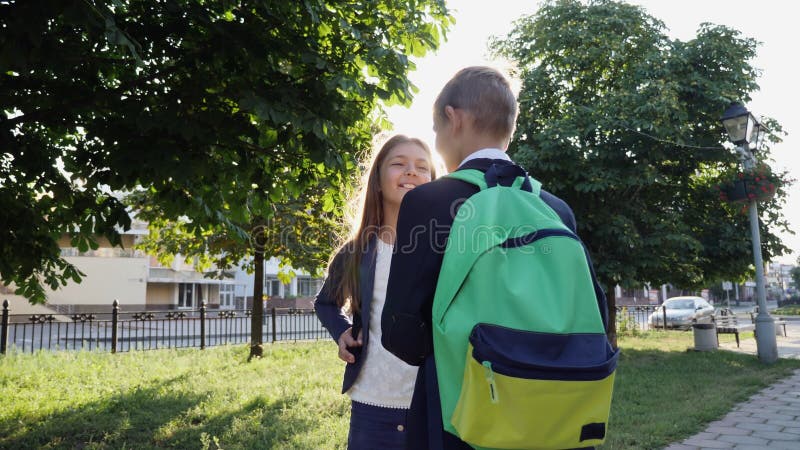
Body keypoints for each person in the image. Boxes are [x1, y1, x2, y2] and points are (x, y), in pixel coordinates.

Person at [381, 66, 602, 449]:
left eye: (436, 132)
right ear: (509, 126)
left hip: (463, 413)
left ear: (454, 118)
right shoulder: (555, 208)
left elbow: (399, 331)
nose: (437, 143)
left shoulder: (429, 201)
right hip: (554, 406)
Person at [315, 134, 438, 449]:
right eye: (399, 164)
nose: (412, 171)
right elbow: (326, 303)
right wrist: (342, 331)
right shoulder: (358, 251)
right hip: (372, 404)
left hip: (432, 404)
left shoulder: (444, 249)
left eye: (423, 167)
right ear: (378, 182)